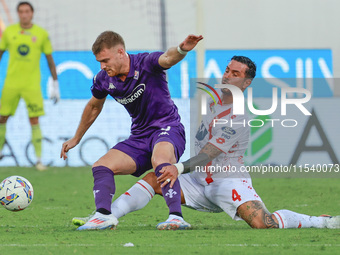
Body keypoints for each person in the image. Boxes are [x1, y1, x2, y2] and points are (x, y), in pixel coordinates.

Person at [73, 56, 340, 230]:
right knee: (155, 177)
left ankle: (321, 222)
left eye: (235, 74)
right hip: (199, 181)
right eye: (227, 70)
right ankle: (105, 217)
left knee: (264, 223)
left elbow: (210, 152)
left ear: (246, 83)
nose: (227, 76)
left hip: (228, 181)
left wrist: (178, 167)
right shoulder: (211, 100)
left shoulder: (238, 115)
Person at [60, 30, 203, 230]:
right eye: (99, 62)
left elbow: (168, 58)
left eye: (105, 60)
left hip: (167, 128)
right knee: (101, 166)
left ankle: (176, 217)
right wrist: (76, 138)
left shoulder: (146, 63)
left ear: (120, 52)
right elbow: (94, 106)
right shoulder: (103, 79)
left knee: (160, 160)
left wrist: (181, 49)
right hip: (140, 136)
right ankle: (103, 216)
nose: (102, 66)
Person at [0, 1, 59, 171]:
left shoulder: (41, 33)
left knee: (34, 120)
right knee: (2, 118)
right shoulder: (9, 32)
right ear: (18, 14)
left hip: (32, 85)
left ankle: (39, 160)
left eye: (27, 11)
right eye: (21, 11)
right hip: (11, 84)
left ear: (32, 14)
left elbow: (49, 59)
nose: (24, 14)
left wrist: (55, 83)